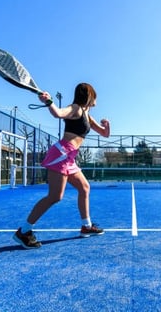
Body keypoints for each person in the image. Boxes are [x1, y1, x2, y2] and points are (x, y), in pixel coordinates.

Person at [13, 82, 110, 249]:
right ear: (88, 96)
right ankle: (24, 231)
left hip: (69, 157)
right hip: (61, 154)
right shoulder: (76, 108)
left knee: (85, 188)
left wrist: (107, 125)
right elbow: (58, 113)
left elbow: (104, 134)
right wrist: (49, 101)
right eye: (94, 96)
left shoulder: (86, 114)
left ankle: (86, 226)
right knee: (55, 197)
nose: (96, 100)